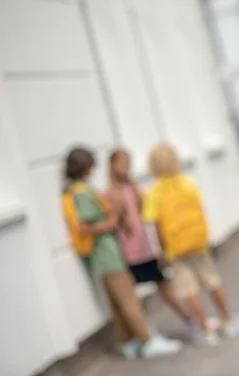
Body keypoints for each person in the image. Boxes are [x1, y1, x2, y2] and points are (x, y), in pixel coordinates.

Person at [62, 147, 182, 359]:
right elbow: (84, 226)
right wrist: (111, 221)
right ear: (86, 167)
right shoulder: (82, 192)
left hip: (103, 255)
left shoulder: (78, 189)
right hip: (107, 254)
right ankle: (147, 340)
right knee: (129, 301)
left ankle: (128, 342)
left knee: (118, 303)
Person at [142, 144, 239, 346]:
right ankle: (227, 320)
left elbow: (156, 227)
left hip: (175, 249)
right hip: (197, 243)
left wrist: (163, 252)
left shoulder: (153, 194)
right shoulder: (188, 183)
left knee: (189, 289)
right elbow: (200, 209)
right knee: (212, 280)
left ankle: (206, 330)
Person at [103, 148, 195, 330]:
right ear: (112, 166)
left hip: (145, 248)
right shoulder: (109, 193)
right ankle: (145, 330)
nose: (125, 168)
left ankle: (190, 320)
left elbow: (147, 212)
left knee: (164, 286)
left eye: (128, 164)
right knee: (131, 295)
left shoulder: (133, 187)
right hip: (129, 252)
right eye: (122, 164)